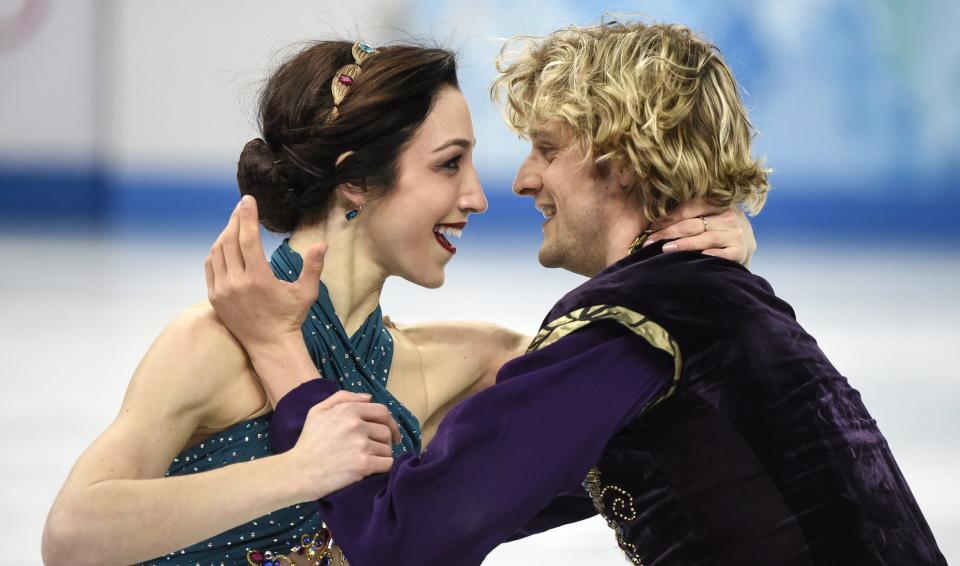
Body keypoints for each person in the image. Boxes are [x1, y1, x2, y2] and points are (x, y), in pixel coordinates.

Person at [207, 22, 947, 566]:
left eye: (549, 149)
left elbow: (406, 542)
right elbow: (497, 495)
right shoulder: (714, 302)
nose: (523, 180)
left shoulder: (630, 326)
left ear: (623, 162)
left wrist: (279, 355)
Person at [41, 40, 755, 565]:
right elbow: (71, 537)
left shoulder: (468, 361)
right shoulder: (212, 342)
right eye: (449, 164)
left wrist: (710, 248)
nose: (477, 196)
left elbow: (655, 379)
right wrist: (299, 469)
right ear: (357, 181)